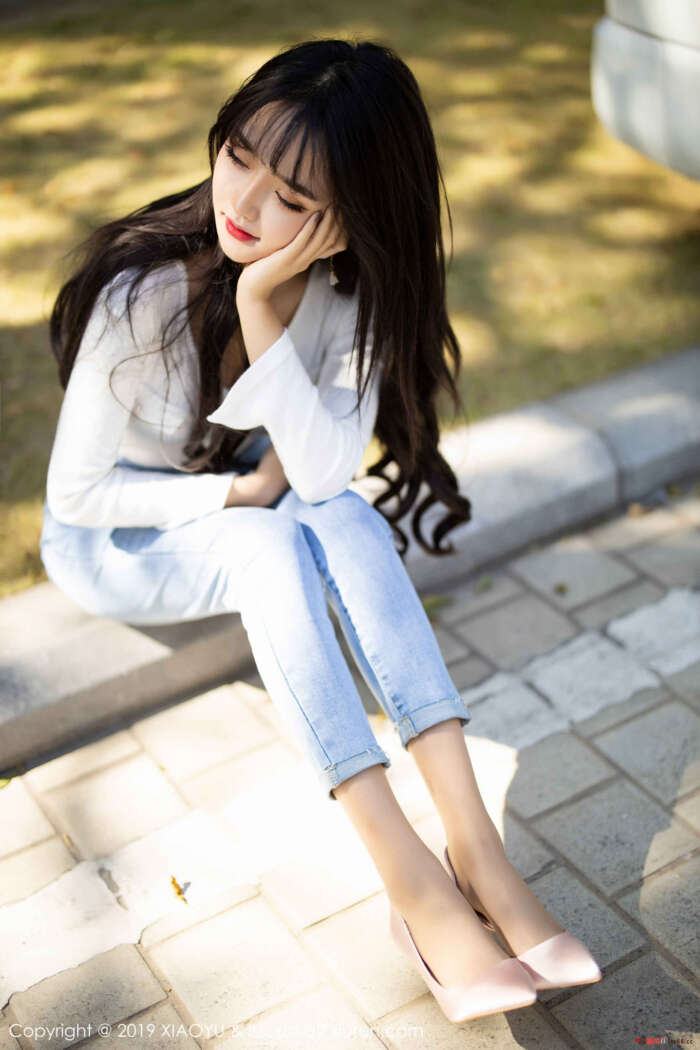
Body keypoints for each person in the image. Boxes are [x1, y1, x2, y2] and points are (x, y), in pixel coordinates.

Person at [40, 38, 601, 1023]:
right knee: (271, 536)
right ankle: (415, 886)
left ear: (348, 217)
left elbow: (323, 477)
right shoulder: (140, 294)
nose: (244, 204)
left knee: (340, 516)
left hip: (247, 500)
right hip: (115, 540)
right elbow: (79, 496)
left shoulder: (343, 300)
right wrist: (235, 499)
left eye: (292, 198)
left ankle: (478, 855)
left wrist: (260, 305)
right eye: (238, 155)